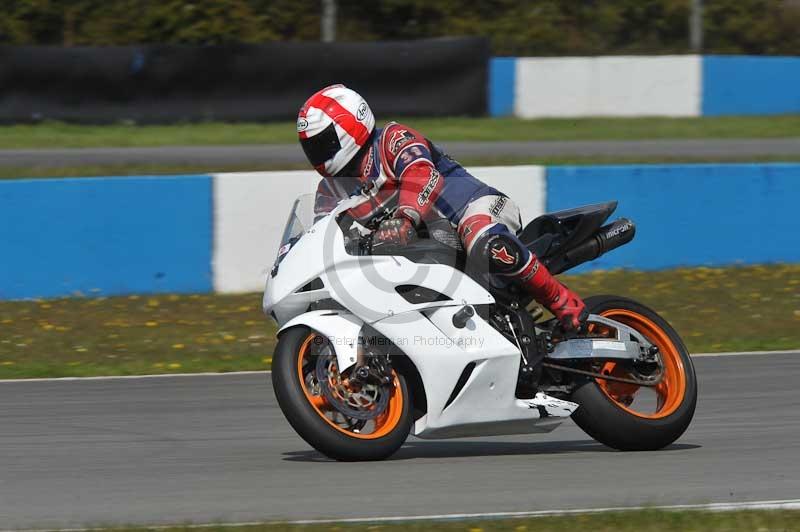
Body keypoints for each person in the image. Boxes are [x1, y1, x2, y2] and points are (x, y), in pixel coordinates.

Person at [297, 84, 587, 330]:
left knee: (480, 238)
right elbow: (321, 235)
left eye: (323, 143)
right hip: (428, 255)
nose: (318, 154)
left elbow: (423, 175)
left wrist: (405, 218)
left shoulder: (392, 140)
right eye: (311, 148)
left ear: (352, 125)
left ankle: (559, 299)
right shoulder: (330, 190)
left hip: (477, 208)